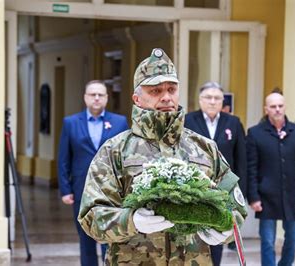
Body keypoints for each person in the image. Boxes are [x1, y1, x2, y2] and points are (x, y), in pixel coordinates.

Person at [77, 48, 247, 265]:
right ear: (137, 98)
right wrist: (131, 221)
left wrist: (226, 228)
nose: (166, 97)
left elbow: (235, 205)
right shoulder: (115, 150)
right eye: (156, 91)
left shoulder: (204, 148)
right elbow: (91, 216)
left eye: (171, 89)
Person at [57, 80, 128, 266]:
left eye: (100, 95)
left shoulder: (120, 122)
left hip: (112, 191)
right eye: (92, 94)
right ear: (85, 97)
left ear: (106, 98)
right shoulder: (71, 122)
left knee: (110, 237)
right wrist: (65, 190)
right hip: (81, 190)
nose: (96, 98)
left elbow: (126, 158)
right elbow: (64, 158)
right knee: (86, 238)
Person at [246, 92, 295, 266]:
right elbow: (251, 168)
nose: (277, 109)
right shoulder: (255, 133)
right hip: (266, 196)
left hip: (294, 196)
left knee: (293, 238)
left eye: (280, 106)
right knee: (267, 241)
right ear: (266, 109)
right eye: (273, 106)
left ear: (284, 106)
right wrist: (253, 197)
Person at [184, 81, 247, 265]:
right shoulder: (188, 120)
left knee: (217, 236)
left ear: (222, 101)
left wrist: (241, 192)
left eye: (217, 98)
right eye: (208, 97)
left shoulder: (233, 123)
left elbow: (241, 159)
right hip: (194, 191)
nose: (212, 101)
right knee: (193, 238)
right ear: (200, 100)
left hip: (222, 191)